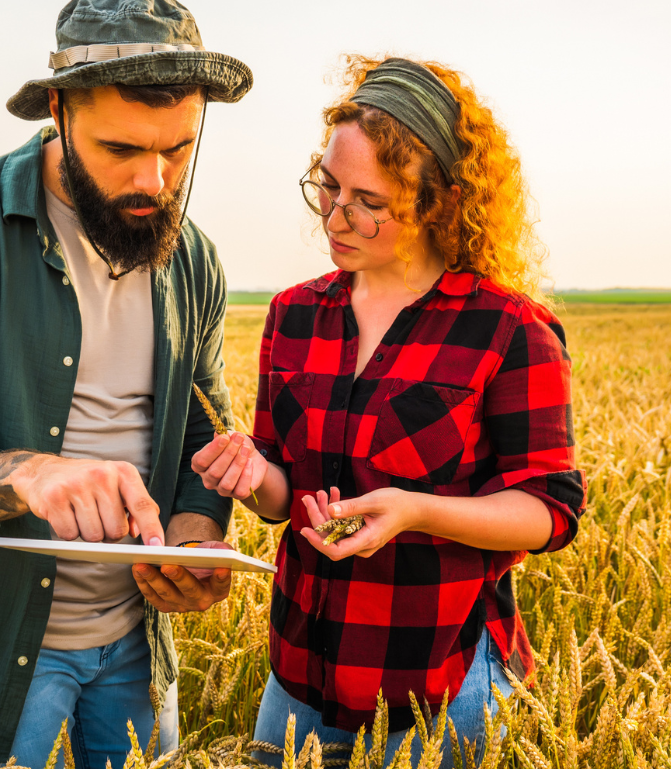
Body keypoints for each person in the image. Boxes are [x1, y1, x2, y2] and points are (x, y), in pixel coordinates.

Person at [0, 0, 253, 769]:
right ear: (58, 115)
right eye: (122, 150)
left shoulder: (194, 259)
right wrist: (27, 477)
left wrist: (200, 533)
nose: (155, 183)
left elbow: (207, 428)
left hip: (137, 650)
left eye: (178, 150)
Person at [190, 56, 586, 765]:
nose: (335, 218)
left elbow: (548, 509)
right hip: (300, 674)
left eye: (368, 201)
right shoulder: (294, 314)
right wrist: (252, 474)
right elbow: (287, 496)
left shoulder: (508, 330)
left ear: (440, 201)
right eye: (328, 186)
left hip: (443, 681)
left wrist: (415, 510)